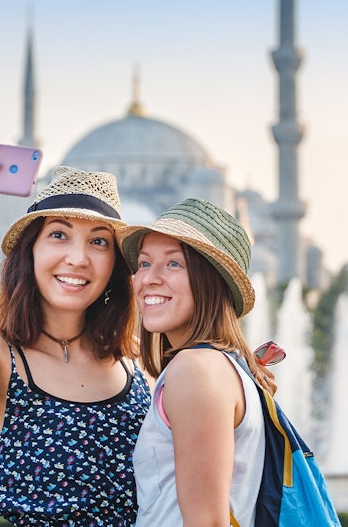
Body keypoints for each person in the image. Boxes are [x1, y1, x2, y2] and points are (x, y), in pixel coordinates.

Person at [0, 132, 149, 526]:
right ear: (31, 251)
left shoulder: (137, 358)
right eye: (59, 235)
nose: (78, 258)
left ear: (115, 267)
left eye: (99, 242)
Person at [117, 197, 270, 525]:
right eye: (144, 264)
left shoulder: (196, 369)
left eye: (173, 263)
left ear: (211, 280)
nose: (149, 279)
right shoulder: (221, 366)